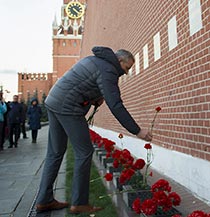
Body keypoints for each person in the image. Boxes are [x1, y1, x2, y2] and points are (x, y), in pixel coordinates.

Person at [36, 46, 152, 214]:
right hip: (67, 107)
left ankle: (44, 200)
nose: (126, 73)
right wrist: (137, 131)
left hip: (54, 101)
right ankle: (79, 203)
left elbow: (81, 84)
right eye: (126, 68)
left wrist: (94, 98)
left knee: (54, 153)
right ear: (119, 61)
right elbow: (116, 105)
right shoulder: (109, 70)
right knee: (84, 152)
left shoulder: (93, 60)